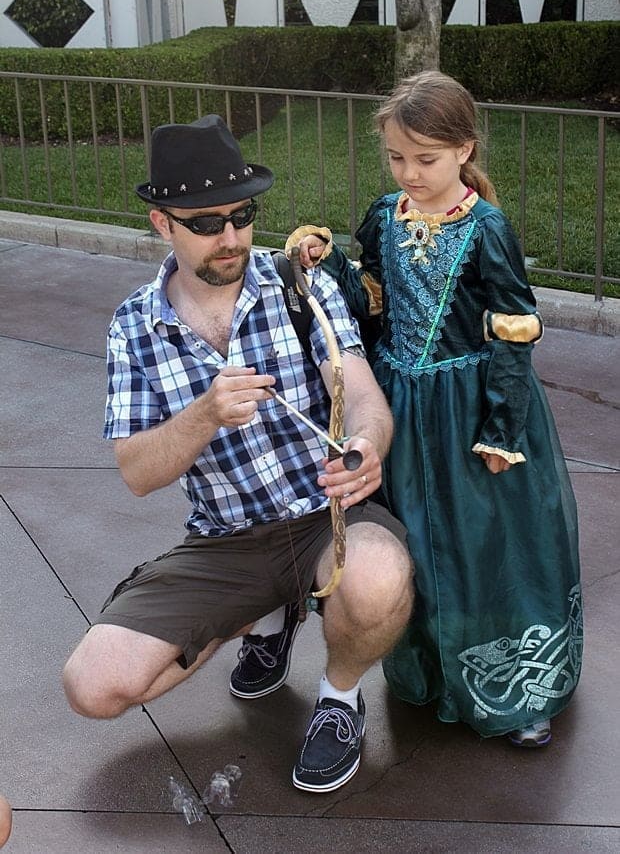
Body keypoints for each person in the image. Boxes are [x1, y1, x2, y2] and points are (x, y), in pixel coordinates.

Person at [62, 114, 413, 794]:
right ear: (162, 223)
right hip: (227, 540)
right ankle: (258, 614)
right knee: (94, 685)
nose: (230, 237)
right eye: (206, 222)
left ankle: (340, 699)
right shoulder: (136, 326)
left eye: (242, 214)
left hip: (326, 516)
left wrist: (367, 445)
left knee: (378, 579)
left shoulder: (298, 284)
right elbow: (137, 472)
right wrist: (203, 415)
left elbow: (364, 395)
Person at [280, 70, 583, 747]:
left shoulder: (486, 229)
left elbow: (515, 328)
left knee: (484, 543)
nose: (409, 172)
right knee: (416, 536)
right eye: (396, 157)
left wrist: (503, 427)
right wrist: (326, 265)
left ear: (465, 150)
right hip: (402, 408)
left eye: (427, 158)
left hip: (473, 409)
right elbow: (373, 308)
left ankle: (514, 687)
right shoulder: (384, 217)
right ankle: (433, 672)